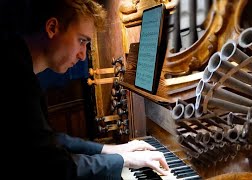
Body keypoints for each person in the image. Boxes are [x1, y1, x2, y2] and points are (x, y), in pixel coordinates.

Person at [1, 0, 169, 179]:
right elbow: (53, 166)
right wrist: (123, 160)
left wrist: (110, 150)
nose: (82, 55)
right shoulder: (14, 77)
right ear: (52, 28)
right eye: (82, 41)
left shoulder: (17, 63)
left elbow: (50, 140)